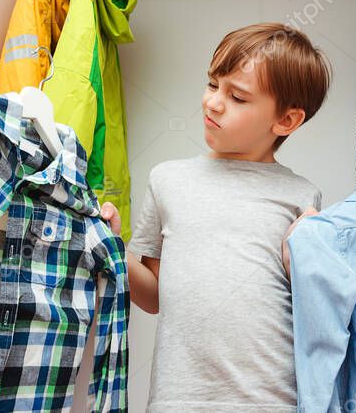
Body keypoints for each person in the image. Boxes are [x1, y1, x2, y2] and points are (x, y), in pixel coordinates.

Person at [100, 22, 330, 411]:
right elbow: (155, 296)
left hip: (271, 400)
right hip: (179, 399)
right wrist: (114, 248)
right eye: (212, 84)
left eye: (237, 96)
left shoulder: (301, 197)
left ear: (286, 121)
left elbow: (312, 308)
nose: (213, 102)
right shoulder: (167, 179)